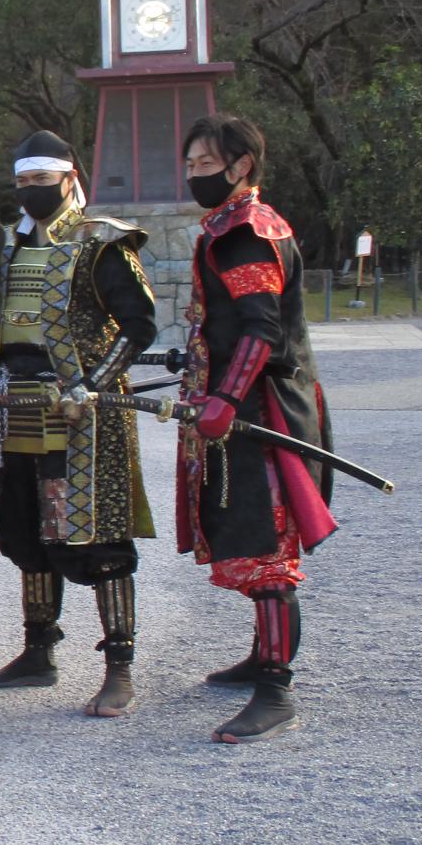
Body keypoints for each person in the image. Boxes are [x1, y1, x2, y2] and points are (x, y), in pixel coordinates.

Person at [0, 130, 157, 718]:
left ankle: (119, 665)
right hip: (16, 400)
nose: (32, 191)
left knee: (96, 532)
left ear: (69, 179)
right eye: (23, 182)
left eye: (42, 181)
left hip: (82, 412)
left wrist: (92, 384)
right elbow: (5, 328)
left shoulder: (102, 242)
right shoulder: (6, 248)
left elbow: (138, 327)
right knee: (26, 528)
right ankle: (37, 651)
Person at [178, 115, 336, 744]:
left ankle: (275, 687)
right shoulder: (236, 223)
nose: (195, 175)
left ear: (241, 165)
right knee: (242, 528)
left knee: (267, 544)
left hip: (261, 412)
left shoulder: (245, 232)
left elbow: (260, 328)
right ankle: (261, 658)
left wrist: (225, 398)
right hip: (242, 405)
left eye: (206, 164)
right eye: (190, 165)